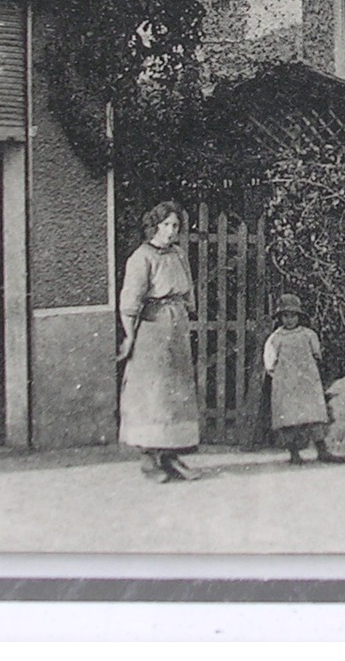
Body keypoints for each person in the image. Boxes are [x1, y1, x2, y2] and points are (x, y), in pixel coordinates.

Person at [117, 200, 201, 482]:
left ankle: (171, 455)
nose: (171, 231)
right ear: (154, 226)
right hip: (152, 330)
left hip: (176, 326)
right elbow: (130, 301)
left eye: (175, 226)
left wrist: (186, 311)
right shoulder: (141, 258)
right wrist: (130, 334)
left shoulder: (178, 254)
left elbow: (188, 289)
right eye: (166, 225)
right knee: (153, 393)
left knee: (176, 391)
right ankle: (149, 459)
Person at [262, 293, 345, 465]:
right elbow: (270, 363)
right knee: (289, 418)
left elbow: (317, 354)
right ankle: (294, 453)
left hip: (307, 382)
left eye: (293, 315)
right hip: (286, 383)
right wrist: (279, 376)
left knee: (314, 415)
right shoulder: (276, 339)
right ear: (280, 318)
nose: (289, 320)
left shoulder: (308, 335)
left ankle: (322, 450)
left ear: (299, 316)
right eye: (286, 316)